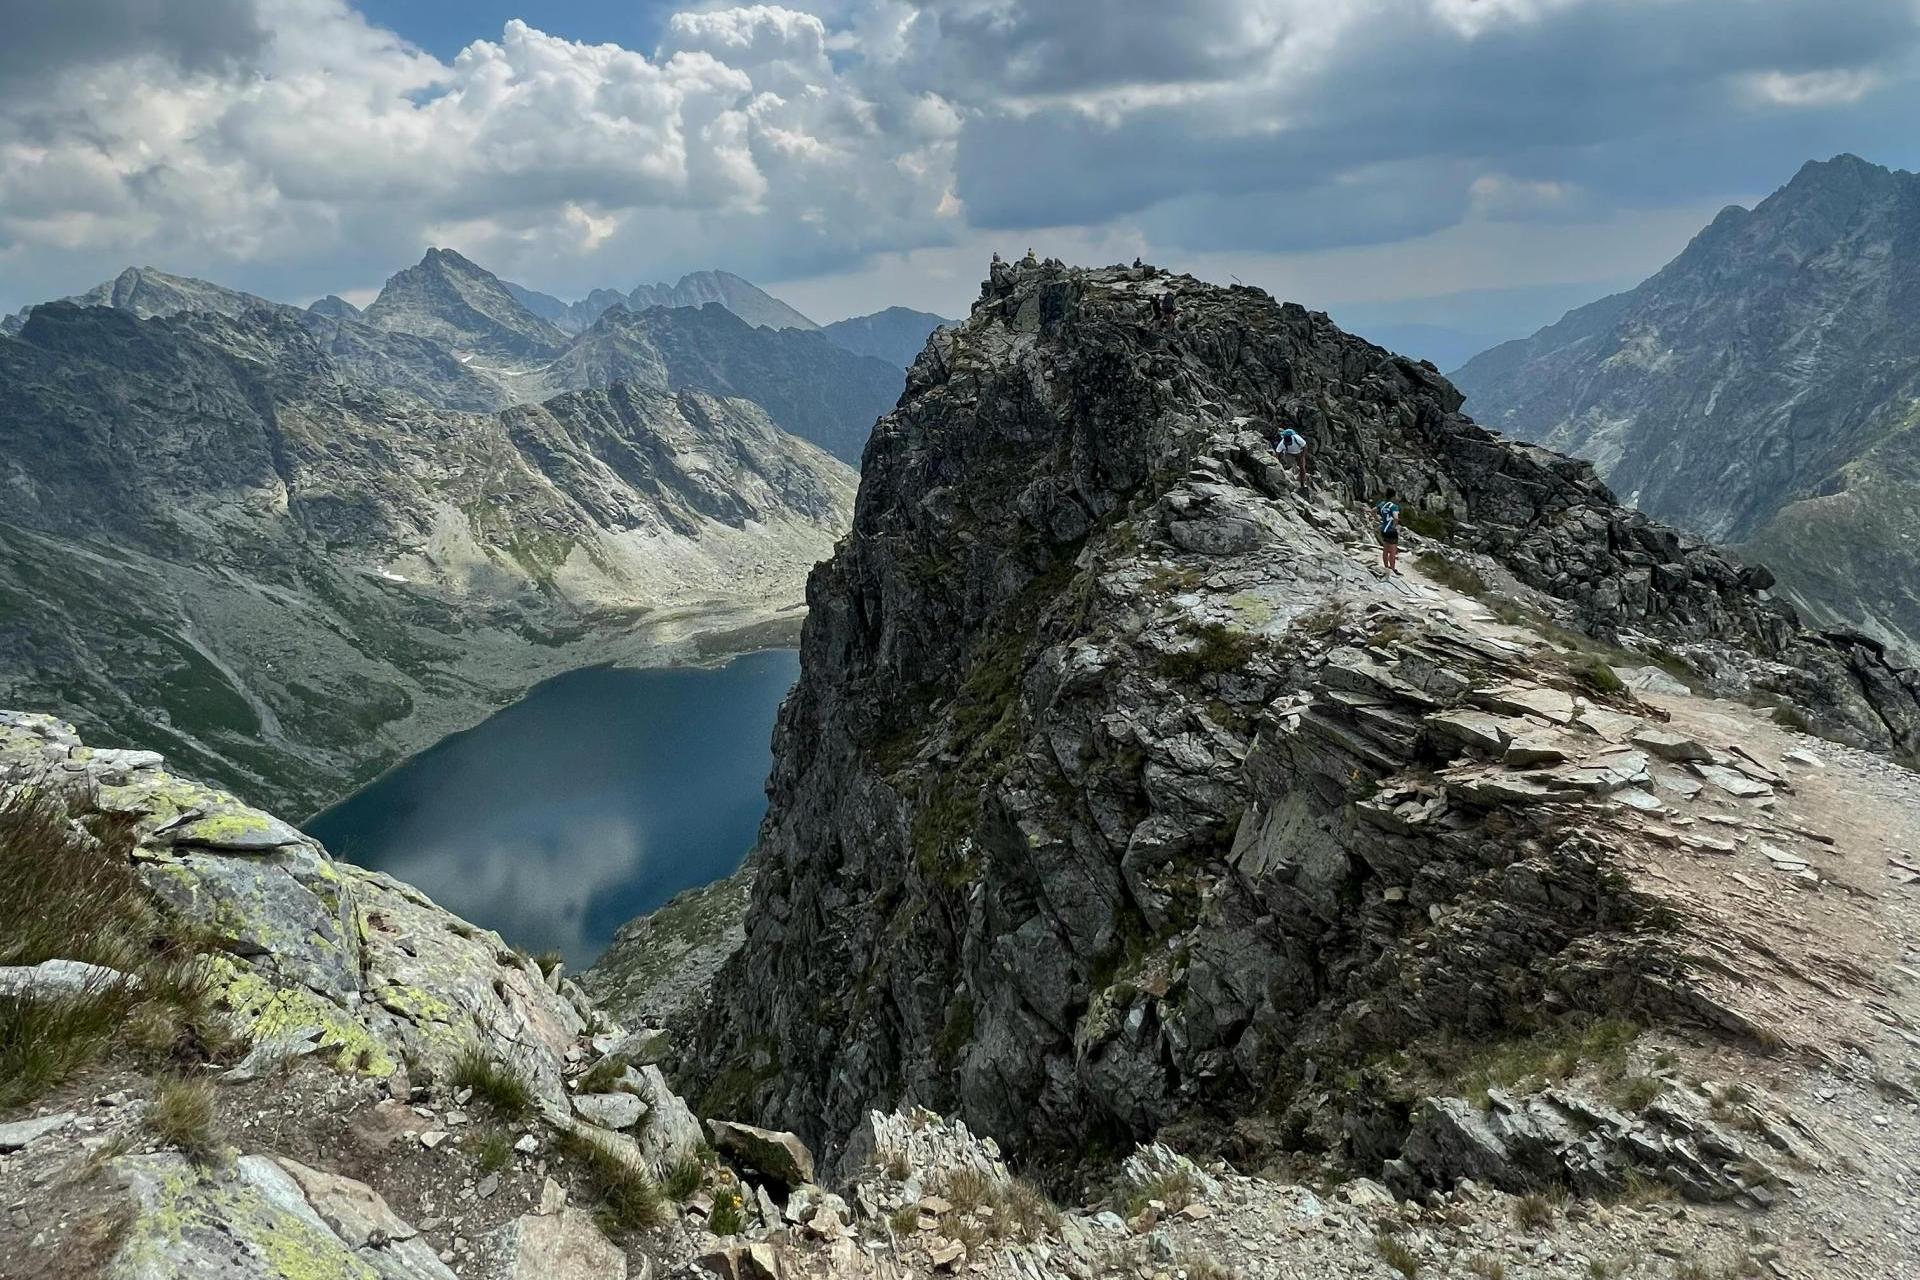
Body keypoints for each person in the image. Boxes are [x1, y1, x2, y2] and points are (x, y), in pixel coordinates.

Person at [1376, 489, 1402, 575]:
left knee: (1386, 549)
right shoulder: (1394, 506)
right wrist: (1394, 526)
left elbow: (1372, 511)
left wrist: (1379, 520)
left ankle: (1386, 567)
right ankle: (1393, 568)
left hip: (1384, 529)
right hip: (1391, 530)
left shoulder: (1382, 504)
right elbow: (1396, 518)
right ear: (1393, 496)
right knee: (1393, 551)